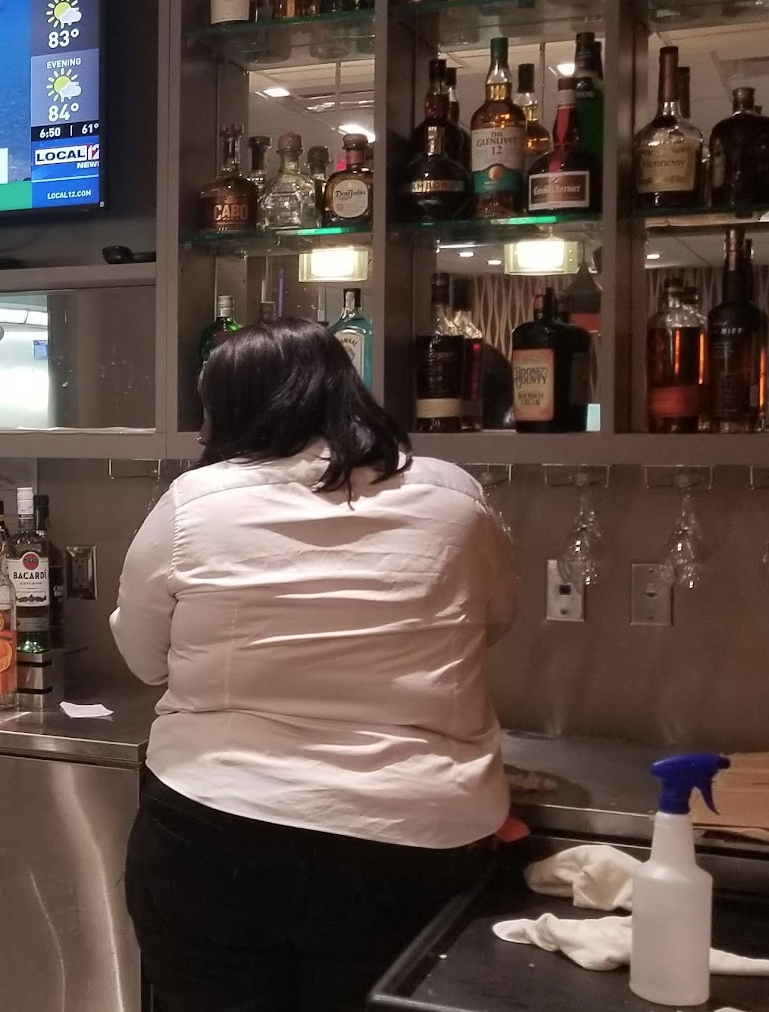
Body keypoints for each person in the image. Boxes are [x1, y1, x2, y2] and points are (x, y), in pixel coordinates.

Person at [111, 317, 514, 1012]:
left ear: (235, 410)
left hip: (216, 831)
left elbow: (143, 659)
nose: (203, 431)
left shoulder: (195, 503)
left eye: (209, 409)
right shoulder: (456, 497)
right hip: (411, 840)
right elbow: (495, 620)